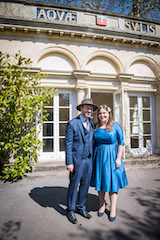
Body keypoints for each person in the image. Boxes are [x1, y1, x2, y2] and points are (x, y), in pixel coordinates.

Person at [91, 105, 128, 222]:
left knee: (113, 183)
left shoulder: (115, 126)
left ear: (109, 114)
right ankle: (102, 205)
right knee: (100, 182)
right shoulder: (95, 126)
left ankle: (113, 208)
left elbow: (121, 143)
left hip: (112, 157)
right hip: (98, 157)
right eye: (100, 113)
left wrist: (118, 158)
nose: (102, 115)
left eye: (104, 113)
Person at [65, 98, 98, 224]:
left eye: (91, 108)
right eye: (86, 108)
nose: (89, 110)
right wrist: (69, 162)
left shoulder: (92, 123)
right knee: (74, 186)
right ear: (81, 108)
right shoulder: (72, 123)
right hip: (77, 160)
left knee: (85, 186)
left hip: (89, 160)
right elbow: (68, 143)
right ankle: (71, 210)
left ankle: (81, 208)